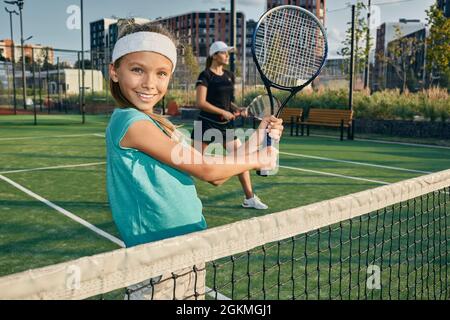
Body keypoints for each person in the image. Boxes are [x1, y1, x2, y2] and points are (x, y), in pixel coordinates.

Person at [105, 22, 283, 299]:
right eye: (137, 69)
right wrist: (261, 158)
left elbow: (220, 172)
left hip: (188, 245)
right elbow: (208, 170)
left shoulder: (163, 126)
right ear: (115, 72)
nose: (150, 83)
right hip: (157, 256)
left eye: (161, 73)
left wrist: (260, 135)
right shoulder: (130, 123)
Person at [191, 41, 268, 210]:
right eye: (224, 53)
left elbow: (228, 102)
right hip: (205, 124)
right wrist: (223, 111)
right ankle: (181, 199)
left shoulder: (229, 76)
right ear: (214, 55)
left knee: (240, 159)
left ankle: (249, 198)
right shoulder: (205, 76)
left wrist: (235, 108)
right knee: (191, 164)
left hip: (225, 127)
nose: (227, 56)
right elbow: (200, 102)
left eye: (228, 53)